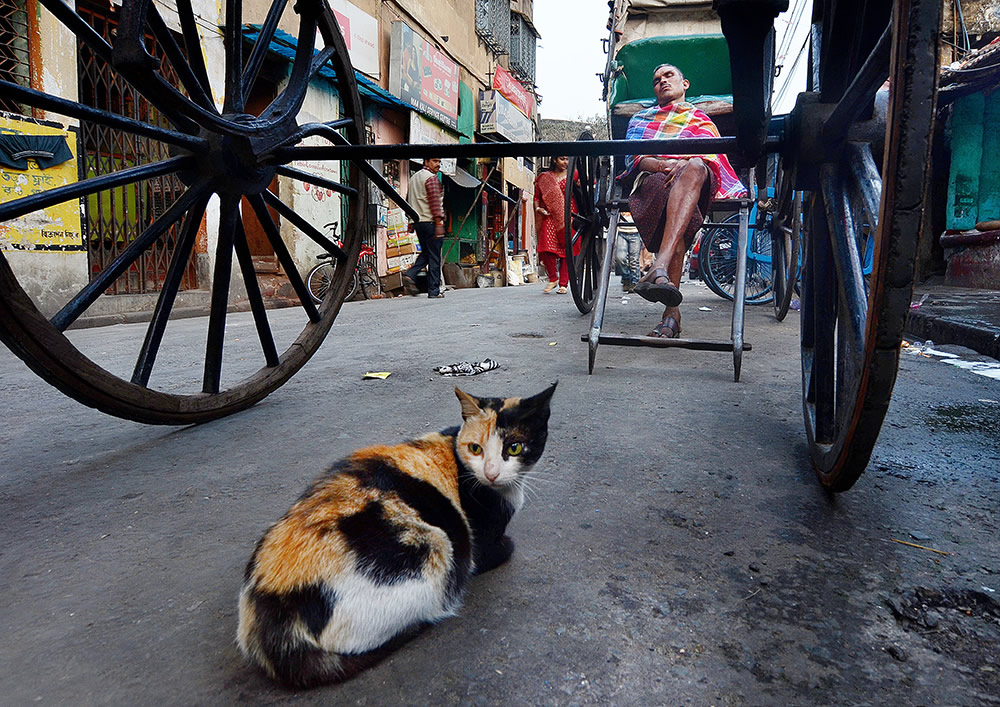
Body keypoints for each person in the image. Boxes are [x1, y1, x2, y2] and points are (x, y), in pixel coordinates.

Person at [620, 63, 747, 337]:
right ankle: (671, 312)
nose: (662, 82)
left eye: (669, 76)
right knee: (676, 200)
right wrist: (663, 166)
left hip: (697, 182)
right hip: (655, 180)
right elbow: (635, 159)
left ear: (685, 83)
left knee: (696, 167)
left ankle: (659, 266)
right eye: (656, 80)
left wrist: (687, 161)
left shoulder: (700, 119)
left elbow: (713, 156)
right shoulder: (640, 120)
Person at [533, 156, 578, 294]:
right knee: (546, 248)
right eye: (562, 159)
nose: (565, 162)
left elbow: (588, 185)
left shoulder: (574, 174)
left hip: (569, 215)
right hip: (550, 215)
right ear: (554, 160)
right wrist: (538, 208)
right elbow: (537, 197)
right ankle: (553, 278)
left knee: (567, 250)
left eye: (567, 159)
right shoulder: (545, 177)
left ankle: (564, 283)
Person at [404, 158, 446, 299]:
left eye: (439, 162)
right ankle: (433, 290)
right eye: (435, 161)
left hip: (418, 222)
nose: (438, 165)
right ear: (426, 162)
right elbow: (435, 202)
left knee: (427, 253)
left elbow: (408, 200)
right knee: (434, 257)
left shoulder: (413, 178)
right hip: (430, 221)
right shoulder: (431, 178)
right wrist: (439, 222)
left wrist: (410, 221)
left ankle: (410, 274)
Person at [615, 211, 642, 293]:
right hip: (622, 231)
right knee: (620, 257)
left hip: (635, 232)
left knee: (634, 259)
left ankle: (634, 282)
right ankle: (626, 277)